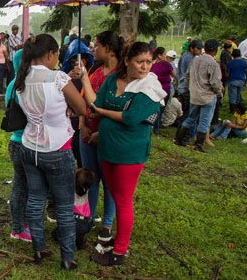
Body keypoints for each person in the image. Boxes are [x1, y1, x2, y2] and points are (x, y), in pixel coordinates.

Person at [80, 41, 166, 266]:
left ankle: (119, 251)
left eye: (149, 62)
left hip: (130, 151)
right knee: (115, 194)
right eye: (140, 62)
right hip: (106, 147)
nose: (145, 67)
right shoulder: (112, 80)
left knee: (123, 200)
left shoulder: (150, 87)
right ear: (127, 61)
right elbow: (96, 101)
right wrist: (85, 79)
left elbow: (129, 118)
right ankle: (116, 240)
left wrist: (101, 112)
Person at [16, 34, 86, 270]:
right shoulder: (57, 77)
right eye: (56, 55)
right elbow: (82, 108)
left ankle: (39, 248)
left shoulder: (21, 78)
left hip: (29, 147)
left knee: (35, 200)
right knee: (65, 206)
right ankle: (68, 257)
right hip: (57, 148)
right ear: (50, 54)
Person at [74, 30, 121, 243]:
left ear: (108, 49)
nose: (93, 49)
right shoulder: (95, 70)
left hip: (107, 136)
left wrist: (101, 133)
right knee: (90, 178)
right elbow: (85, 98)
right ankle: (88, 217)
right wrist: (82, 124)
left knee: (110, 181)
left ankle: (108, 223)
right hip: (87, 133)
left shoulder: (121, 76)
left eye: (97, 45)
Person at [175, 39, 222, 152]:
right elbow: (215, 83)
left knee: (190, 118)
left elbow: (187, 76)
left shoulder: (195, 60)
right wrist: (217, 91)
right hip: (207, 96)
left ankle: (179, 139)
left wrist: (191, 87)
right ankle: (198, 145)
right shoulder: (213, 63)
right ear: (215, 51)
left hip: (194, 94)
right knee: (204, 121)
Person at [5, 47, 30, 243]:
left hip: (16, 140)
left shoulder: (13, 84)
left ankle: (23, 223)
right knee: (21, 188)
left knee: (25, 187)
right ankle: (18, 228)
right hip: (23, 142)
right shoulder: (23, 85)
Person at [53, 168, 95, 250]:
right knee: (79, 234)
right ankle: (80, 242)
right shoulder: (86, 189)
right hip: (87, 222)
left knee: (56, 234)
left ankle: (68, 241)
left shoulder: (70, 191)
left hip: (75, 222)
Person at [176, 40, 203, 124]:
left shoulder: (185, 55)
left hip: (182, 86)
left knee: (186, 110)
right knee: (188, 113)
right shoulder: (189, 58)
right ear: (191, 48)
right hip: (186, 87)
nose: (200, 51)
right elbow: (190, 75)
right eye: (198, 48)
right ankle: (182, 132)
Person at [150, 47, 175, 134]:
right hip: (164, 90)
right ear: (159, 55)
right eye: (164, 54)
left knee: (153, 108)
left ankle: (151, 125)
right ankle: (156, 129)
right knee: (160, 109)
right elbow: (174, 74)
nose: (165, 56)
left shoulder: (151, 63)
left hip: (153, 90)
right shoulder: (165, 64)